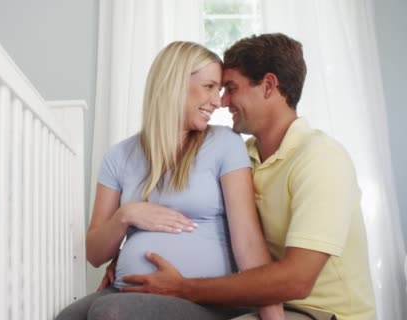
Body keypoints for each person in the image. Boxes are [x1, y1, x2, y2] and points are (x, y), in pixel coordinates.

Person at [118, 33, 376, 320]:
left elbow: (297, 281)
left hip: (321, 312)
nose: (223, 102)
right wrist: (128, 257)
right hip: (261, 305)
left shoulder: (321, 158)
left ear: (268, 86)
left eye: (230, 88)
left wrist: (183, 288)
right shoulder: (243, 155)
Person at [56, 41, 283, 320]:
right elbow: (94, 253)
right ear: (174, 82)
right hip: (128, 292)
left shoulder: (225, 143)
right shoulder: (119, 155)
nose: (217, 101)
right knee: (67, 318)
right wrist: (126, 215)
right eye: (210, 87)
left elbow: (248, 241)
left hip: (202, 300)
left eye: (220, 90)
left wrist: (273, 317)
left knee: (110, 312)